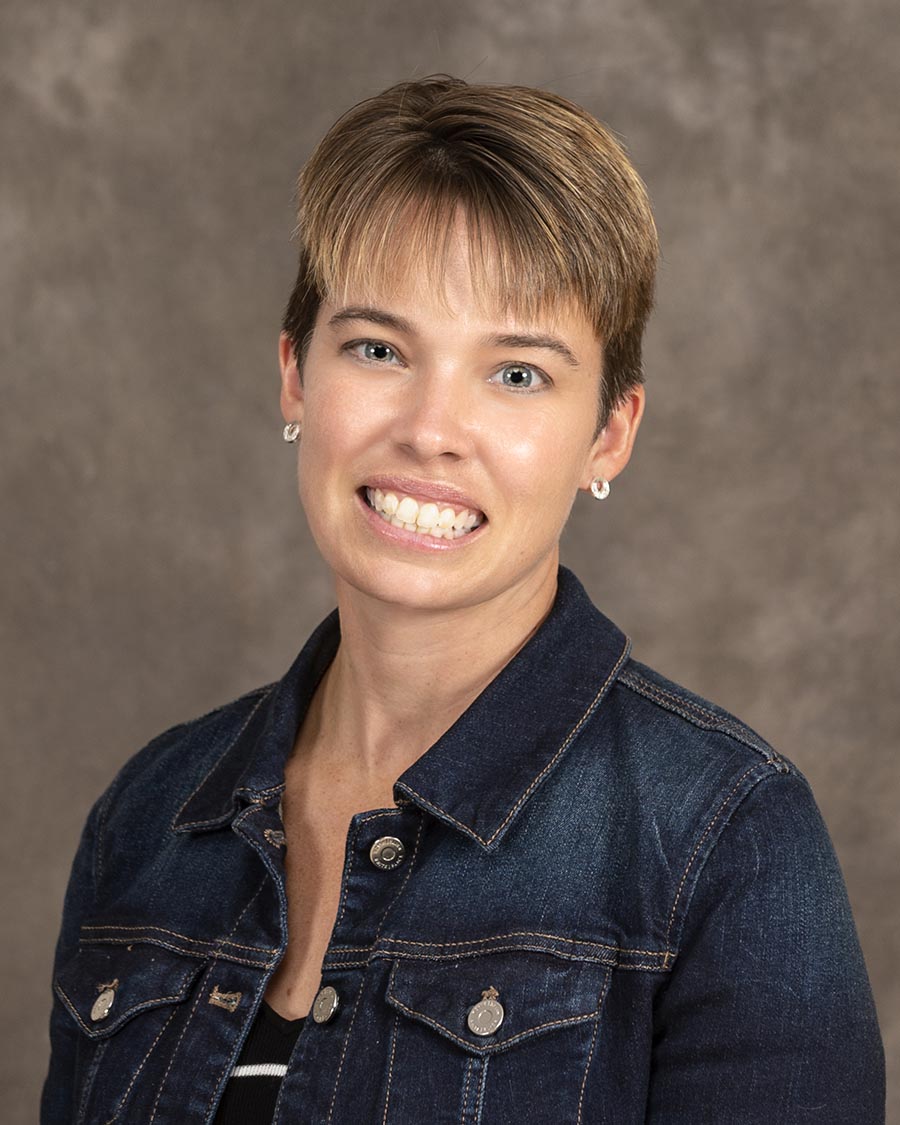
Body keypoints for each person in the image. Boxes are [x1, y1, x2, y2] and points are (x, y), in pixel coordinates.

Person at [41, 75, 884, 1125]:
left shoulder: (723, 837)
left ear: (610, 433)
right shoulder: (149, 820)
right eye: (380, 350)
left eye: (518, 374)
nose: (433, 428)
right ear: (296, 375)